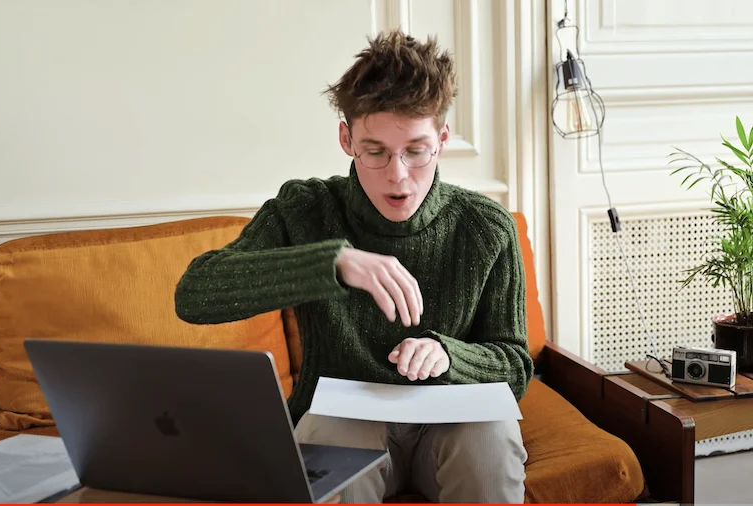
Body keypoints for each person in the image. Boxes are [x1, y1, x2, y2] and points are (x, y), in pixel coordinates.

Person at [174, 29, 533, 504]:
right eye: (376, 151)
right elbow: (195, 295)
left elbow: (516, 365)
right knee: (331, 438)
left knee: (491, 437)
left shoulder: (486, 227)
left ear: (442, 139)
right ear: (347, 138)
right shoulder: (304, 209)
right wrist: (333, 261)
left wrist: (451, 356)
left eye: (416, 150)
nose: (398, 175)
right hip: (343, 423)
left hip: (451, 426)